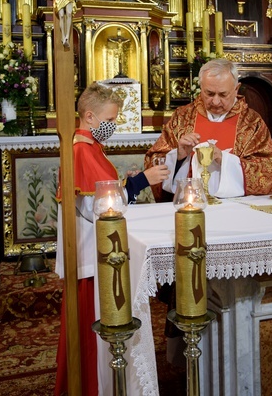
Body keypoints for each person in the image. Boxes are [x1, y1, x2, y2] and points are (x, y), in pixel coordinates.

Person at [54, 82, 169, 396]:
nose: (113, 125)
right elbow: (102, 208)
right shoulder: (81, 149)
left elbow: (103, 192)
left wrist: (127, 183)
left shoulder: (89, 147)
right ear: (90, 117)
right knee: (94, 332)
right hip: (91, 256)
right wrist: (141, 181)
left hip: (95, 251)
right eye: (110, 119)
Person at [145, 58, 272, 202]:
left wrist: (224, 160)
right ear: (201, 87)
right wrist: (178, 157)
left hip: (234, 207)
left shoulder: (252, 122)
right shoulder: (182, 117)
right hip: (190, 205)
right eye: (209, 94)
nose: (216, 102)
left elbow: (268, 167)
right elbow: (154, 160)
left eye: (223, 94)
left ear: (236, 89)